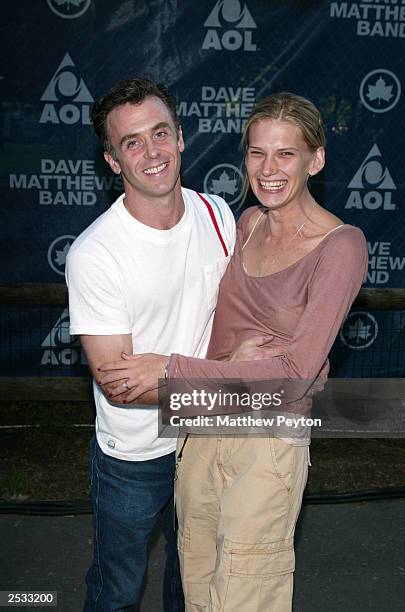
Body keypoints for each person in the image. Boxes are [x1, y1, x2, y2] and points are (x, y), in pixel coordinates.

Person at [97, 92, 368, 611]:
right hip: (203, 426)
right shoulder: (245, 225)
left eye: (286, 154)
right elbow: (226, 340)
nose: (268, 169)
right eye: (257, 153)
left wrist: (170, 370)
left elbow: (294, 373)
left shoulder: (341, 245)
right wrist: (234, 362)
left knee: (245, 593)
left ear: (317, 159)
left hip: (267, 440)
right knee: (197, 585)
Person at [65, 77, 236, 611]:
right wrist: (226, 387)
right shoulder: (97, 255)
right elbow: (120, 387)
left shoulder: (218, 215)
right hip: (135, 455)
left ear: (181, 137)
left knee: (193, 585)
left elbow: (236, 332)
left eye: (160, 133)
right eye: (131, 142)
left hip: (206, 443)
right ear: (112, 161)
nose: (152, 152)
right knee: (116, 591)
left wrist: (169, 370)